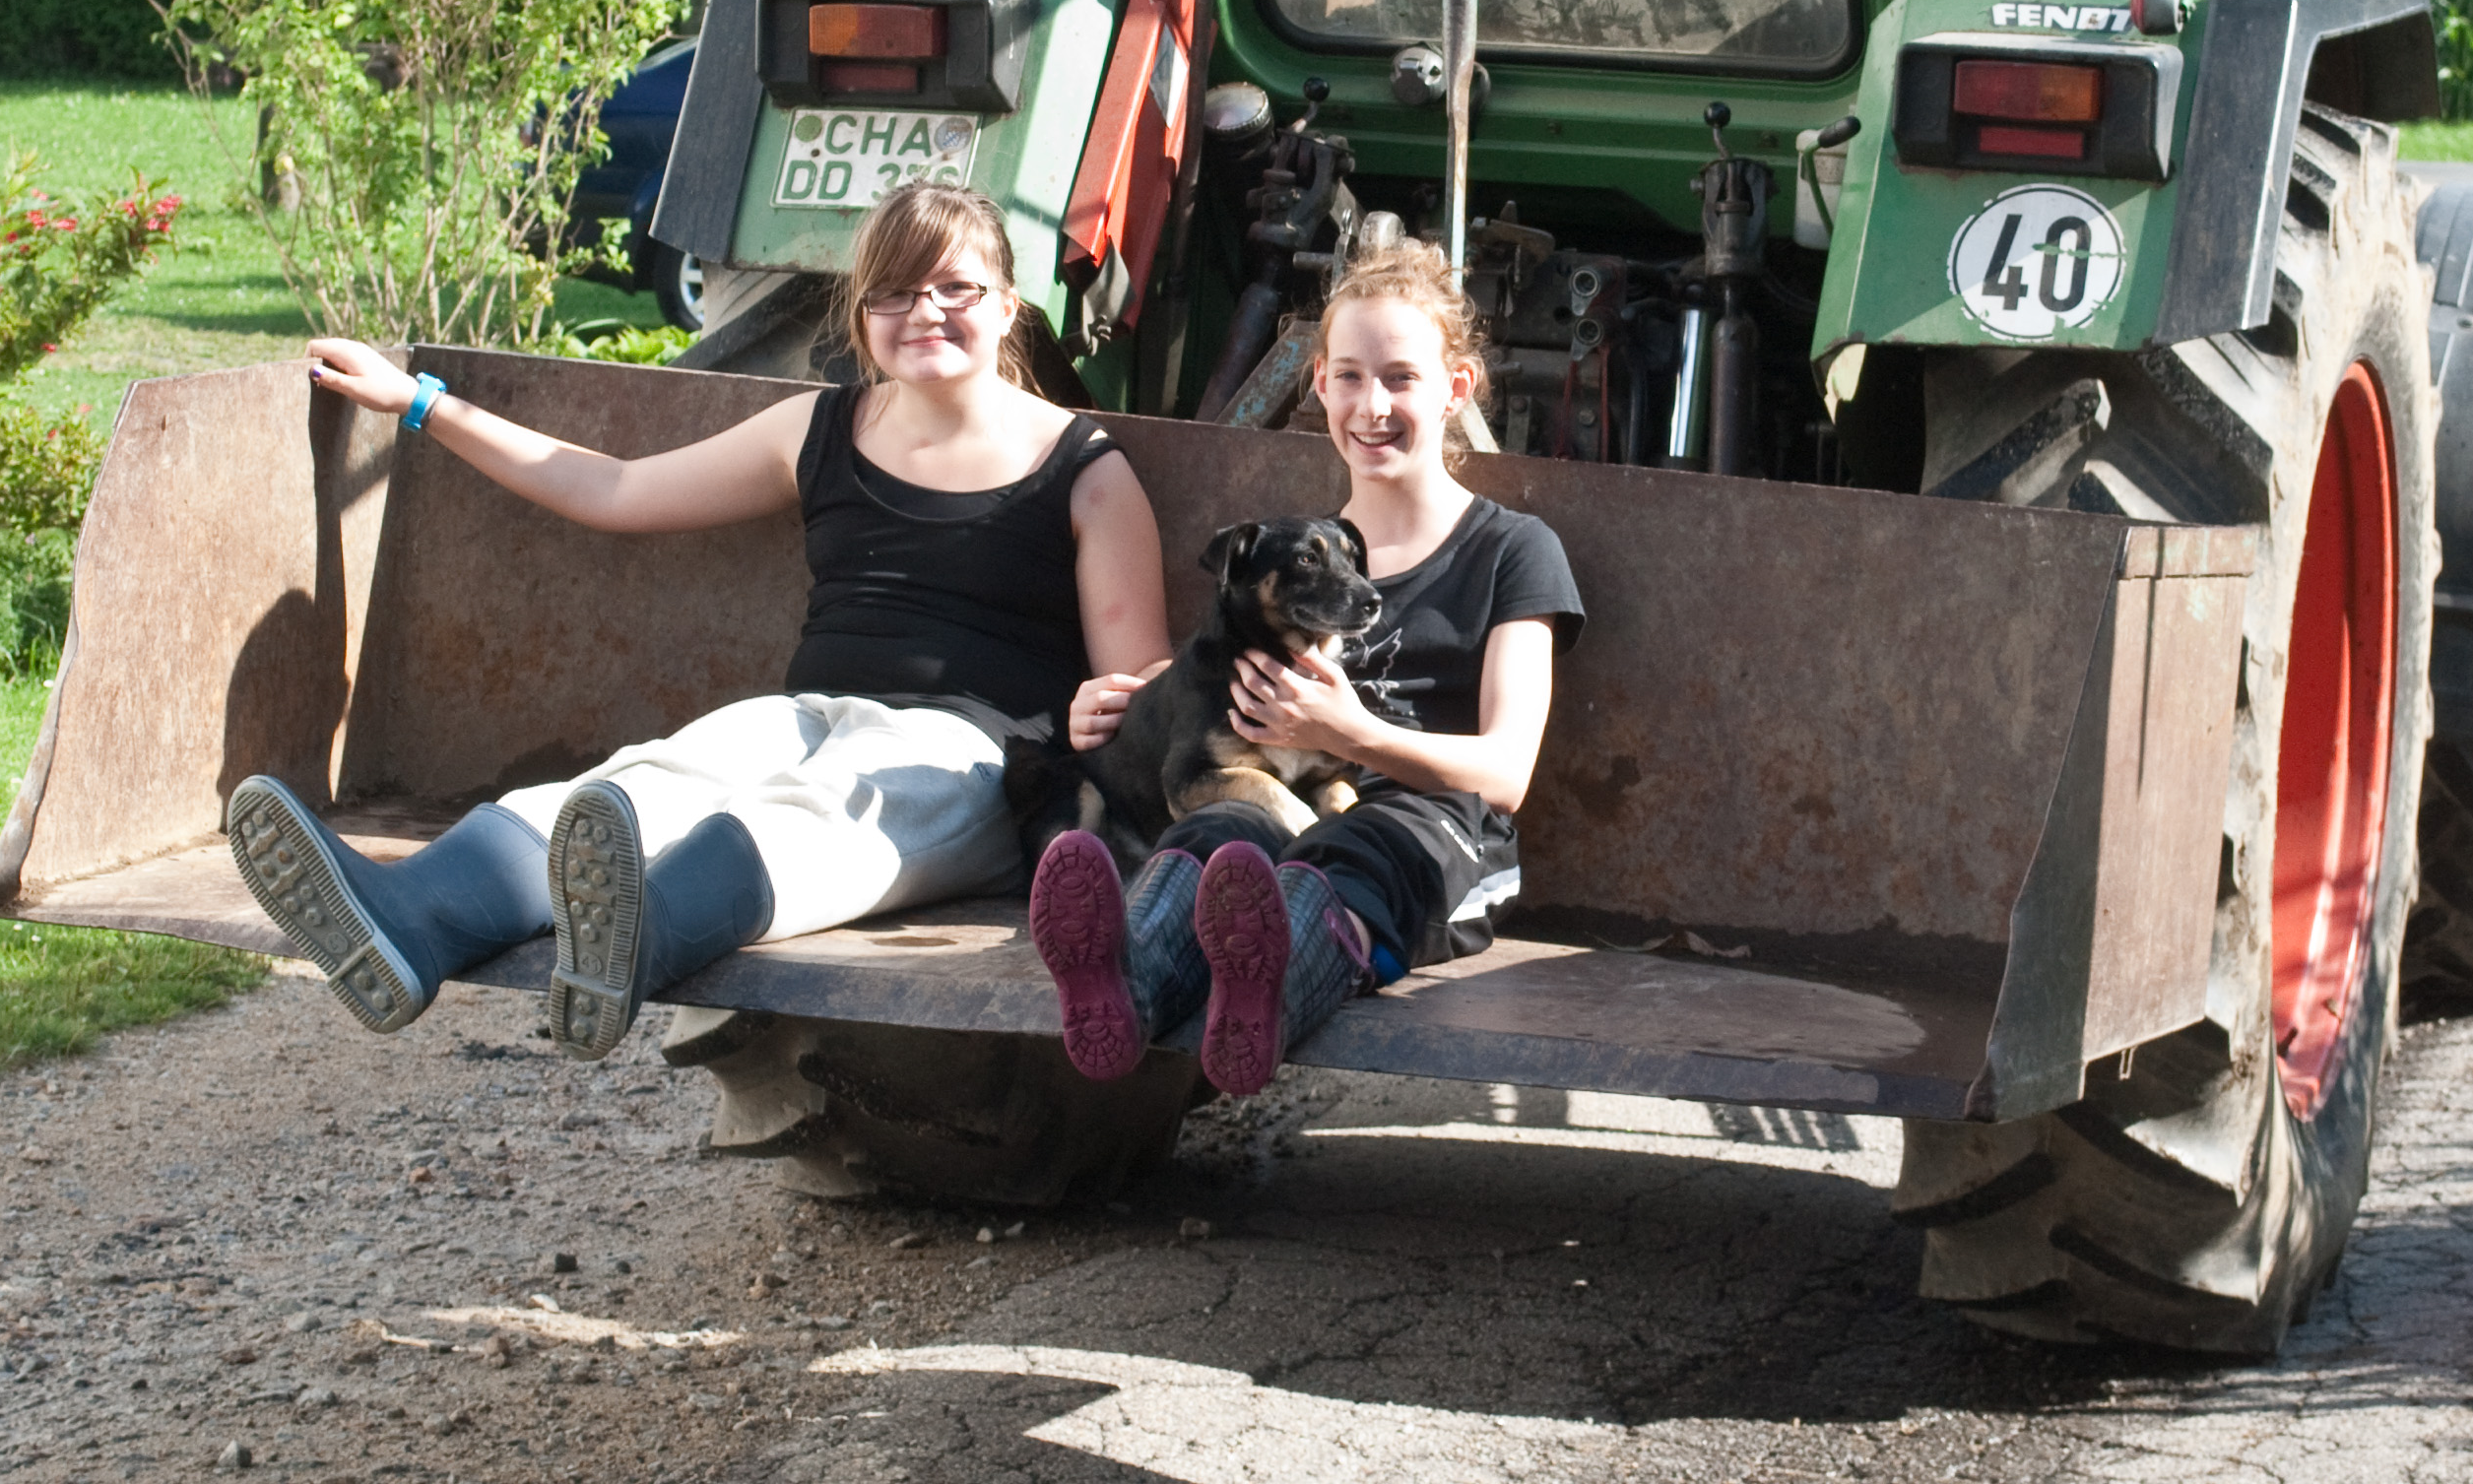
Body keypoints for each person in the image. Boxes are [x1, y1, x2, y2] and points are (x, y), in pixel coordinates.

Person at [222, 180, 1169, 1061]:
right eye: (895, 291)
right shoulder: (821, 427)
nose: (925, 310)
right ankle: (412, 918)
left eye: (957, 287)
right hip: (808, 712)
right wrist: (423, 403)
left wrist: (1105, 708)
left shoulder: (1083, 469)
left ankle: (642, 938)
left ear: (1009, 305)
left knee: (822, 816)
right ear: (864, 316)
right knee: (644, 783)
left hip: (971, 758)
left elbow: (1149, 696)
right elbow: (614, 488)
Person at [1030, 238, 1583, 1096]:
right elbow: (1208, 696)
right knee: (1217, 837)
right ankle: (1122, 986)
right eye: (1352, 377)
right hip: (1291, 801)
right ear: (1318, 383)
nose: (1373, 404)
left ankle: (1266, 1002)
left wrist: (1350, 733)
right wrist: (1121, 704)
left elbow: (1506, 774)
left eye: (1401, 376)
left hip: (1436, 828)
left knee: (1352, 853)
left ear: (1456, 389)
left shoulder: (1514, 550)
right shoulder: (1299, 555)